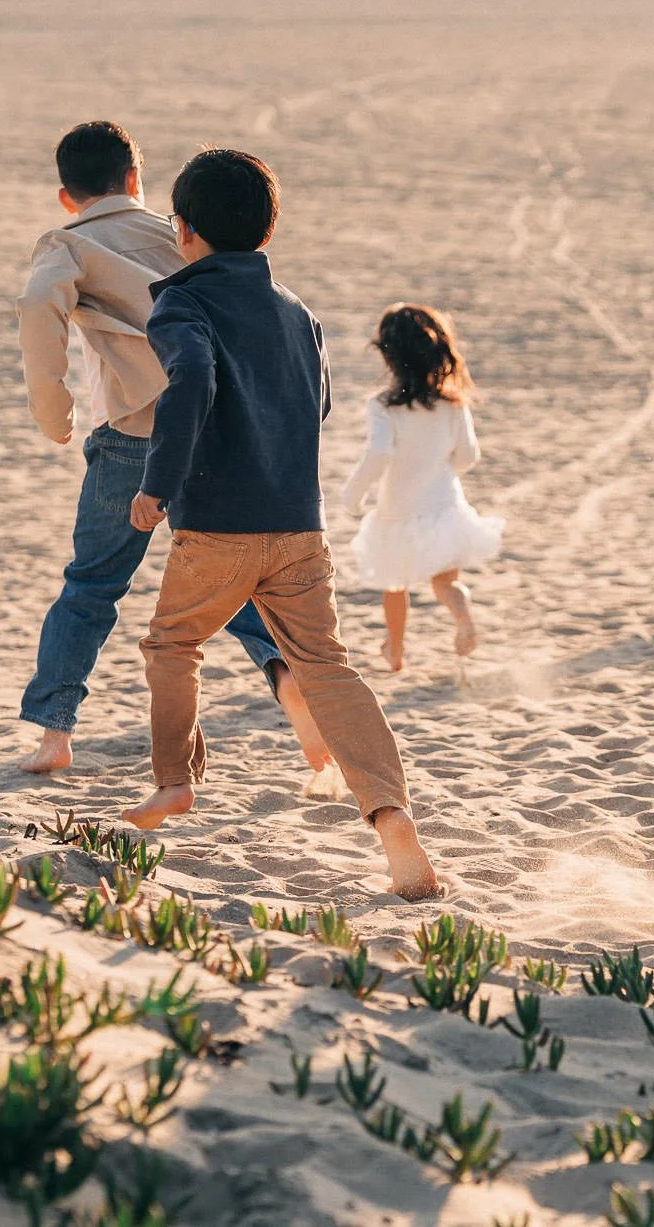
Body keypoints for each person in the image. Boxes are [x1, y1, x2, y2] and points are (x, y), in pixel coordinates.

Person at [125, 148, 441, 898]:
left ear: (184, 232)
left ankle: (173, 782)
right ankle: (393, 819)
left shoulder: (181, 302)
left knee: (172, 643)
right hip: (300, 525)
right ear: (267, 234)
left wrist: (158, 484)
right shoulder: (300, 312)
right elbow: (319, 402)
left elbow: (192, 380)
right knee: (326, 667)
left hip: (219, 528)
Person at [13, 121, 342, 796]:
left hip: (131, 434)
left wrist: (55, 415)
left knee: (93, 583)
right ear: (136, 179)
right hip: (215, 431)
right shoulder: (181, 231)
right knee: (233, 573)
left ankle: (54, 729)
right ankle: (286, 678)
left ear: (64, 195)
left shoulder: (67, 242)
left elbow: (35, 305)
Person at [339, 304, 503, 676]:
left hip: (398, 509)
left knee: (394, 582)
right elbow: (469, 455)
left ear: (387, 354)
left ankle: (395, 651)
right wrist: (443, 471)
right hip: (445, 505)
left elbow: (379, 452)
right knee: (446, 582)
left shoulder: (383, 405)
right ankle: (461, 615)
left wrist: (354, 495)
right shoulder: (453, 403)